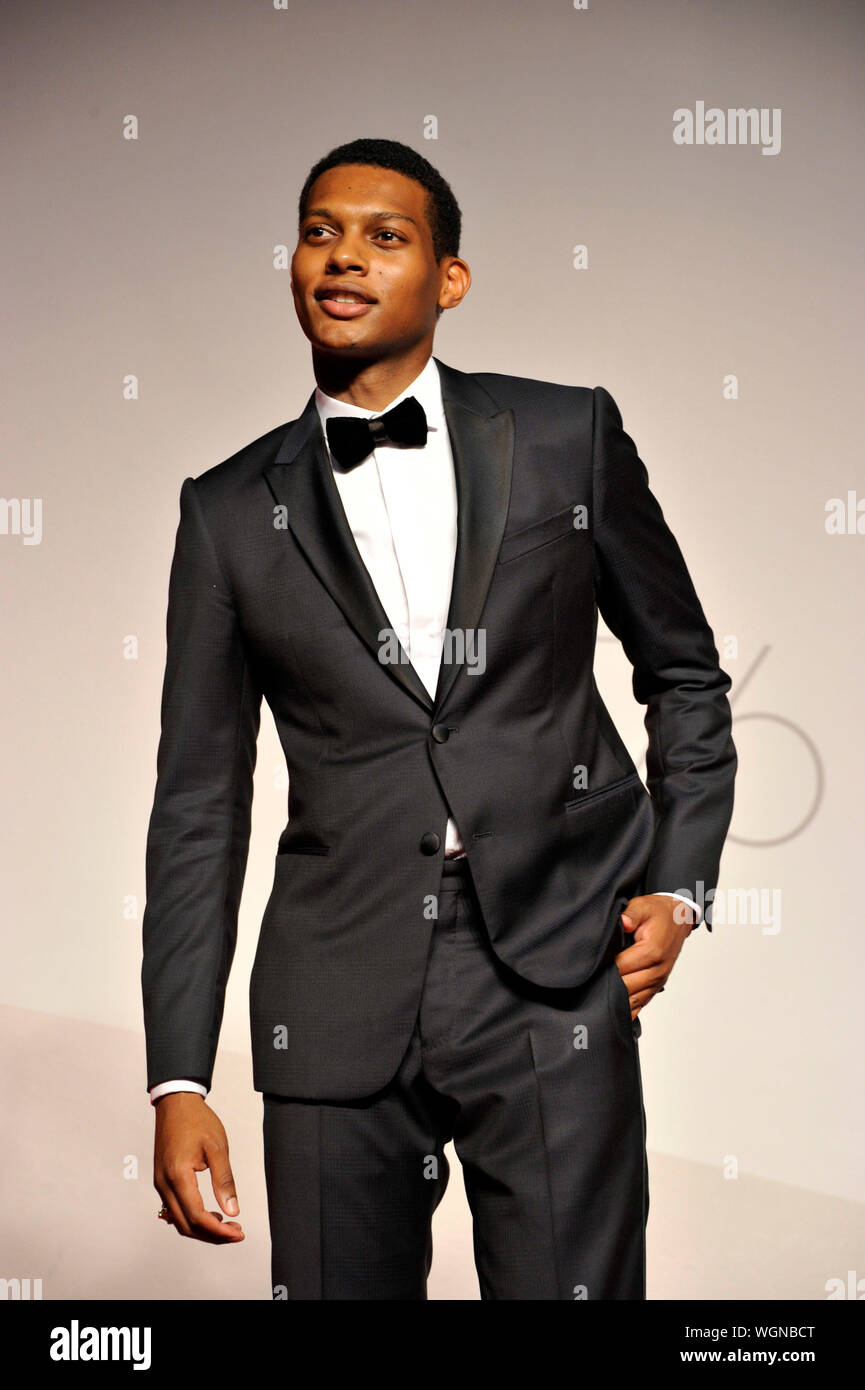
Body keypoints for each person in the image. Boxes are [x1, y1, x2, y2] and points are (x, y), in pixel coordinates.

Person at [142, 137, 737, 1300]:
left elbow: (686, 676)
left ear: (448, 279)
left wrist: (682, 888)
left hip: (552, 970)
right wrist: (178, 1079)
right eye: (319, 231)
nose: (343, 256)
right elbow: (197, 804)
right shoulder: (223, 511)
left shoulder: (568, 436)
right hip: (328, 994)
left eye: (384, 234)